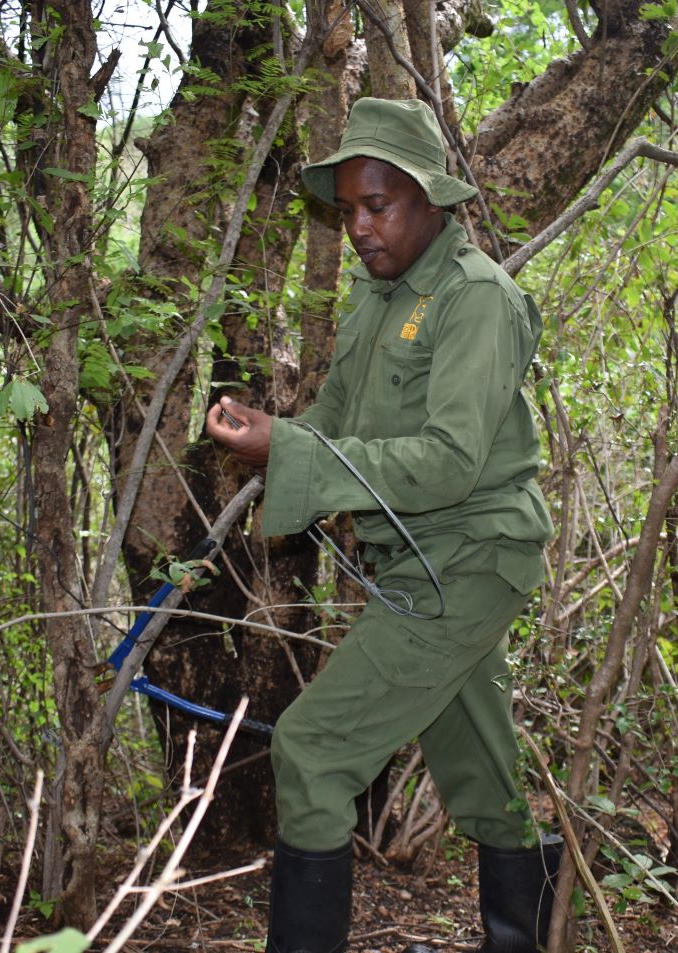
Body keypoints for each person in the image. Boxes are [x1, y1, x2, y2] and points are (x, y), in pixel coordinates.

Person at [204, 97, 562, 953]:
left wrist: (290, 451)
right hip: (417, 566)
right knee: (484, 776)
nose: (361, 225)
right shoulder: (375, 295)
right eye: (351, 208)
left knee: (313, 751)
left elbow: (448, 462)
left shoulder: (475, 299)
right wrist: (276, 440)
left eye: (380, 204)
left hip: (471, 560)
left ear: (432, 200)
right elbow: (334, 418)